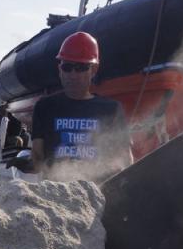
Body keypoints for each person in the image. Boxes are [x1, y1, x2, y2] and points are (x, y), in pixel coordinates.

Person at [30, 31, 133, 183]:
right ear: (60, 70)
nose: (73, 74)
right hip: (54, 193)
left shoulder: (111, 110)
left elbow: (125, 159)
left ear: (94, 69)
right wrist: (27, 164)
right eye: (67, 67)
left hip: (96, 193)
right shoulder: (44, 107)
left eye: (81, 68)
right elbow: (38, 158)